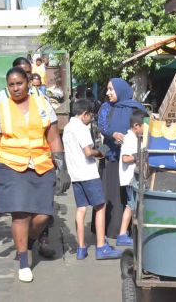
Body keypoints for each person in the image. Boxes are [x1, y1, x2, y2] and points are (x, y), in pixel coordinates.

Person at [0, 66, 70, 282]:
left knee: (43, 214)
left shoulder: (42, 104)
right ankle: (24, 261)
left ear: (28, 82)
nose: (16, 88)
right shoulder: (2, 108)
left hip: (41, 165)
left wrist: (62, 168)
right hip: (11, 166)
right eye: (11, 85)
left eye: (19, 83)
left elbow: (53, 137)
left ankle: (27, 243)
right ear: (7, 88)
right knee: (20, 213)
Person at [62, 99, 122, 260]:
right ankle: (101, 246)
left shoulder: (67, 128)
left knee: (81, 209)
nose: (91, 119)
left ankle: (81, 247)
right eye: (91, 116)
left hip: (75, 175)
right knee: (100, 207)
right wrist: (100, 152)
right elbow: (88, 152)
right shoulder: (80, 128)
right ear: (85, 114)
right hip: (88, 174)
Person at [94, 78, 146, 239]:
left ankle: (130, 230)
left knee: (131, 194)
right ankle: (112, 230)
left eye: (112, 90)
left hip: (131, 159)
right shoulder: (105, 107)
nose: (108, 93)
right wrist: (112, 134)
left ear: (121, 90)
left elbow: (144, 125)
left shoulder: (136, 108)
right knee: (112, 194)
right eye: (108, 90)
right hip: (112, 157)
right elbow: (102, 126)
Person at [116, 109, 147, 246]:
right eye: (145, 126)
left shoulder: (136, 138)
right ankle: (122, 234)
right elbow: (125, 158)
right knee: (131, 206)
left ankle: (125, 233)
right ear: (136, 126)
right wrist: (139, 156)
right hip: (130, 179)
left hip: (134, 178)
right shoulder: (128, 139)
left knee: (132, 205)